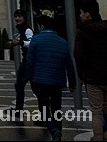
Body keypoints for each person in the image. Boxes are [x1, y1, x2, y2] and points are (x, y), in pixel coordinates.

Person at [74, 0, 107, 142]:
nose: (80, 16)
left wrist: (83, 73)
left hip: (93, 78)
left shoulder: (82, 32)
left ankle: (98, 137)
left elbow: (78, 55)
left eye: (81, 13)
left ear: (87, 15)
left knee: (96, 111)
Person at [24, 13, 76, 142]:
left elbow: (29, 61)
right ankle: (59, 132)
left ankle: (53, 130)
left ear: (41, 26)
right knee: (57, 107)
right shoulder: (63, 42)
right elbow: (69, 64)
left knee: (44, 107)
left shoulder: (36, 40)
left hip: (40, 79)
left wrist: (31, 77)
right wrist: (73, 82)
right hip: (57, 80)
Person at [10, 9, 34, 111]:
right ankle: (18, 109)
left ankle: (19, 109)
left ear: (24, 18)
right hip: (28, 60)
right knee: (20, 85)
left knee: (21, 85)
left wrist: (20, 42)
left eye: (19, 16)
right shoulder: (22, 29)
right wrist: (13, 43)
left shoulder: (27, 30)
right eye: (16, 16)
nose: (17, 19)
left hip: (29, 61)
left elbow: (32, 42)